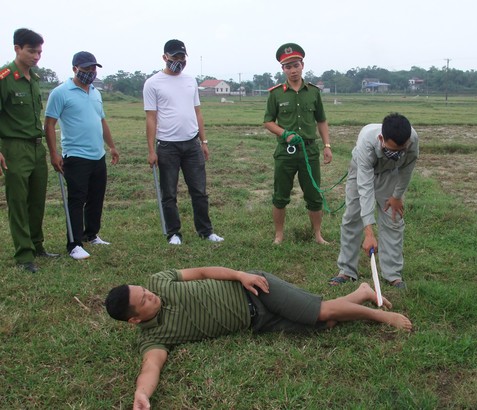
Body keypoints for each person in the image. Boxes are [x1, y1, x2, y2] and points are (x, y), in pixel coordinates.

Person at [105, 266, 412, 409]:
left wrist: (241, 275)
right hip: (258, 322)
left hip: (256, 289)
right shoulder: (153, 337)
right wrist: (142, 394)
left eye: (144, 290)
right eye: (144, 300)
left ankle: (380, 315)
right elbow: (151, 367)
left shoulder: (160, 280)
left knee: (321, 313)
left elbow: (201, 272)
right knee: (328, 323)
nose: (150, 294)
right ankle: (361, 293)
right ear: (134, 319)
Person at [143, 39, 223, 246]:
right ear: (165, 58)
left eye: (182, 57)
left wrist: (203, 141)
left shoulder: (190, 81)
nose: (178, 61)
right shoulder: (153, 83)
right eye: (174, 57)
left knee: (199, 191)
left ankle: (205, 231)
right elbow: (151, 117)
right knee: (169, 193)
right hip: (167, 146)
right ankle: (173, 233)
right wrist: (151, 150)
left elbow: (197, 111)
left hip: (192, 144)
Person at [44, 51, 120, 260]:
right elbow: (49, 124)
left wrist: (111, 146)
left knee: (96, 197)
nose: (90, 73)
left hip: (98, 155)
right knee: (77, 199)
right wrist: (53, 153)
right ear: (75, 69)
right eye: (86, 69)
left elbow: (101, 121)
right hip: (75, 155)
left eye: (93, 69)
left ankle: (91, 234)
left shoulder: (96, 92)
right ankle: (74, 243)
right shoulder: (60, 93)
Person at [329, 113, 419, 289]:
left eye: (401, 150)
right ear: (381, 139)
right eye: (392, 150)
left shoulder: (412, 140)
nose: (397, 154)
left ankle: (393, 275)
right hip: (360, 172)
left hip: (390, 174)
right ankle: (347, 271)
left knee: (393, 219)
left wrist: (397, 196)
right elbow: (365, 189)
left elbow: (407, 169)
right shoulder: (367, 143)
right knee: (352, 218)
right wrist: (369, 233)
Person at [0, 28, 59, 273]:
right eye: (32, 51)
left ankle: (37, 245)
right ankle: (24, 255)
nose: (37, 56)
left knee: (37, 201)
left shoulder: (34, 79)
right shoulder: (5, 77)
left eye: (40, 52)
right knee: (18, 202)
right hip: (14, 148)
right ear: (17, 49)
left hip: (37, 148)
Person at [263, 43, 332, 245]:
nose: (293, 70)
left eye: (296, 65)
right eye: (288, 67)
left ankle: (318, 235)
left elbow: (321, 120)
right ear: (283, 69)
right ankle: (279, 235)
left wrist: (327, 146)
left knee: (314, 195)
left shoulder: (313, 92)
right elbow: (268, 121)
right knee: (280, 196)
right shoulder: (276, 94)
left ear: (302, 65)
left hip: (310, 151)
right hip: (286, 152)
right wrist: (284, 134)